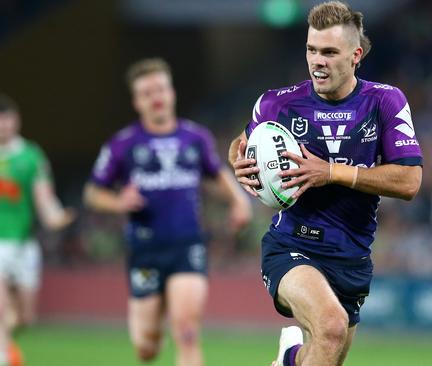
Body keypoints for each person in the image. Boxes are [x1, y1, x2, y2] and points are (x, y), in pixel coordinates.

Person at [228, 2, 423, 365]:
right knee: (331, 327)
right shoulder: (278, 104)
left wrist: (330, 172)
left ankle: (289, 358)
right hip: (291, 244)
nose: (318, 60)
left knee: (323, 352)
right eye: (312, 50)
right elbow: (240, 144)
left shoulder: (384, 101)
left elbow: (409, 180)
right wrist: (238, 164)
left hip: (352, 256)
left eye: (330, 52)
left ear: (355, 55)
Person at [83, 58, 252, 366]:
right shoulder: (123, 144)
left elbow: (217, 175)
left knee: (187, 330)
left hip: (187, 245)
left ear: (171, 92)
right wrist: (119, 202)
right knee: (146, 349)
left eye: (160, 88)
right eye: (147, 92)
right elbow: (92, 193)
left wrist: (239, 201)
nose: (156, 97)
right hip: (145, 251)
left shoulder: (195, 138)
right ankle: (150, 329)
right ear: (137, 101)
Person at [0, 94, 75, 366]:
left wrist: (55, 216)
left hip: (24, 243)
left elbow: (43, 196)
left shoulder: (31, 156)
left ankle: (6, 345)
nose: (4, 126)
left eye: (8, 119)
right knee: (1, 310)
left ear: (16, 121)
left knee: (25, 318)